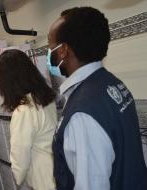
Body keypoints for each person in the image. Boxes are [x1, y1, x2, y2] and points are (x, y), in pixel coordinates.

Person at [48, 7, 147, 190]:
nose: (49, 54)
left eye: (50, 47)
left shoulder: (83, 114)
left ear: (63, 51)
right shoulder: (112, 84)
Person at [0, 49, 57, 190]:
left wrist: (18, 176)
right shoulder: (43, 97)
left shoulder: (23, 111)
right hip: (57, 168)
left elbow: (20, 155)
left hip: (43, 178)